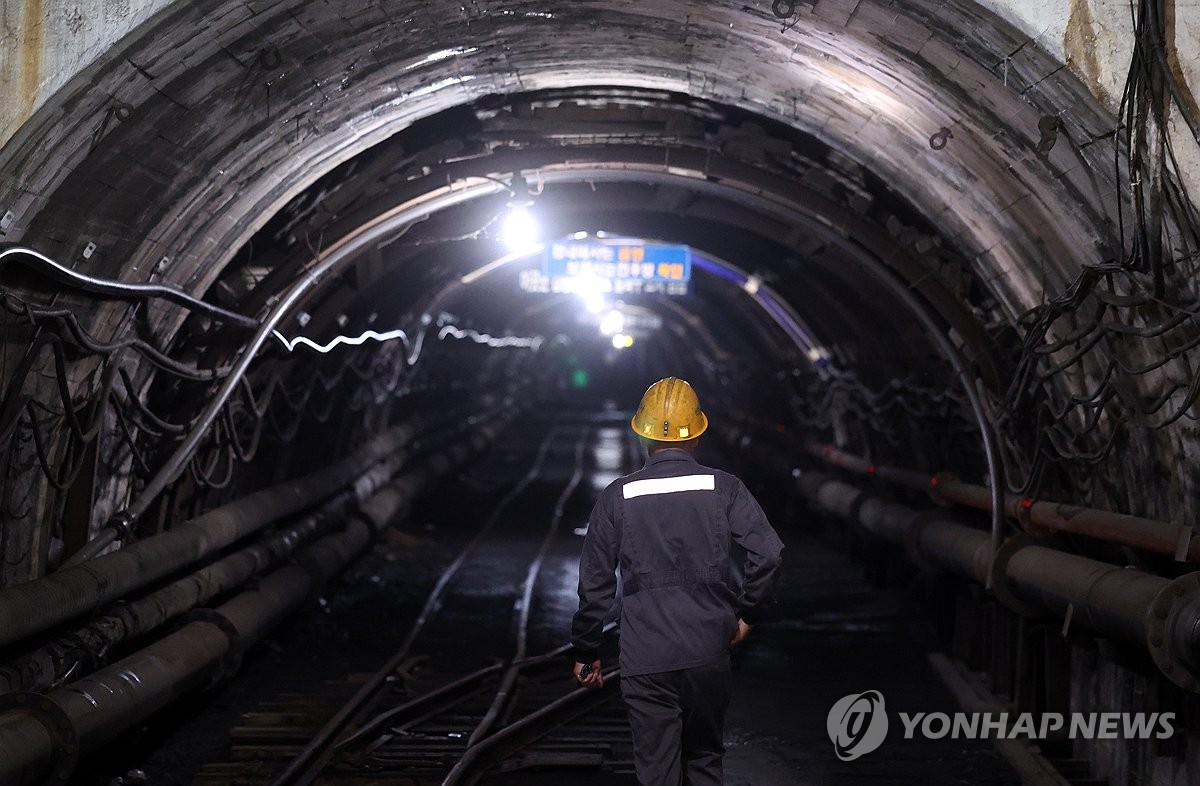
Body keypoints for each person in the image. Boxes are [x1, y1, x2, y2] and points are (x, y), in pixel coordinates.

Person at [570, 376, 785, 786]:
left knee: (657, 770)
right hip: (708, 651)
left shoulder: (618, 497)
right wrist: (748, 615)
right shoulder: (724, 488)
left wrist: (586, 648)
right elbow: (769, 552)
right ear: (697, 435)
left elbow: (596, 583)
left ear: (642, 436)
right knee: (704, 759)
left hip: (645, 656)